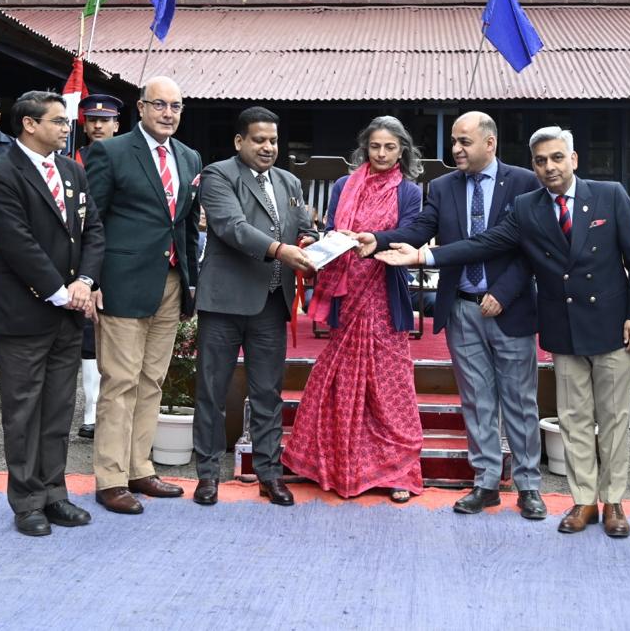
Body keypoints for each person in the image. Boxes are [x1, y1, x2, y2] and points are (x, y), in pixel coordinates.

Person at [379, 126, 630, 538]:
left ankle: (611, 502)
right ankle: (582, 501)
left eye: (557, 158)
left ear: (573, 159)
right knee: (573, 419)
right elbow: (486, 243)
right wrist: (424, 255)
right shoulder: (528, 206)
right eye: (541, 161)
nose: (549, 167)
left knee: (611, 419)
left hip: (607, 321)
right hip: (562, 325)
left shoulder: (609, 195)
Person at [357, 111, 544, 516]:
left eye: (464, 142)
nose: (455, 149)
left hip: (509, 308)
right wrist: (379, 239)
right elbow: (419, 230)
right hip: (461, 308)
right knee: (476, 400)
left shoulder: (524, 183)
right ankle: (486, 482)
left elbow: (531, 248)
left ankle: (529, 485)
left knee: (519, 401)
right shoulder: (443, 187)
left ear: (490, 143)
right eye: (454, 142)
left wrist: (504, 292)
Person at [0, 91, 104, 537]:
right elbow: (17, 242)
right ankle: (27, 501)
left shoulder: (72, 170)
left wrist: (84, 281)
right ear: (29, 124)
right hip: (23, 313)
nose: (68, 128)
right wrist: (59, 292)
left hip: (68, 312)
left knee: (58, 409)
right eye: (58, 121)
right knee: (23, 412)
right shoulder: (0, 174)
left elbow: (93, 231)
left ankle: (54, 492)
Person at [282, 117, 427, 503]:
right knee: (341, 376)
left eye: (390, 147)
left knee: (389, 383)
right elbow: (331, 227)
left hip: (383, 290)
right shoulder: (344, 186)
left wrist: (374, 239)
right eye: (375, 146)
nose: (381, 154)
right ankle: (336, 466)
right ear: (365, 148)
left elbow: (412, 233)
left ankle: (398, 471)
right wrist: (332, 239)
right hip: (346, 290)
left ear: (402, 151)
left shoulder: (408, 191)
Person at [84, 78, 201, 515]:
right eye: (159, 104)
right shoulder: (111, 152)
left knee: (152, 380)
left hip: (170, 281)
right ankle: (111, 478)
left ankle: (139, 468)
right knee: (120, 381)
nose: (168, 113)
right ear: (141, 107)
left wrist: (191, 281)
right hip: (121, 281)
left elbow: (186, 225)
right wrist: (90, 280)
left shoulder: (189, 157)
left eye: (176, 106)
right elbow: (91, 221)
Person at [192, 106, 317, 507]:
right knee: (212, 390)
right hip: (224, 303)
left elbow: (304, 228)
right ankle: (208, 473)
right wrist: (281, 250)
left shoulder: (289, 181)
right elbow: (231, 227)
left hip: (271, 303)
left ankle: (269, 473)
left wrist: (315, 244)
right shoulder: (218, 175)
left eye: (273, 141)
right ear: (239, 141)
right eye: (259, 140)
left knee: (268, 393)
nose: (268, 147)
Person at [74, 93, 123, 439]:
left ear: (116, 125)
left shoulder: (127, 157)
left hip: (119, 254)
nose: (98, 126)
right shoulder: (73, 160)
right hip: (84, 252)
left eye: (105, 120)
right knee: (88, 336)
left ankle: (114, 412)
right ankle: (91, 411)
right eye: (92, 120)